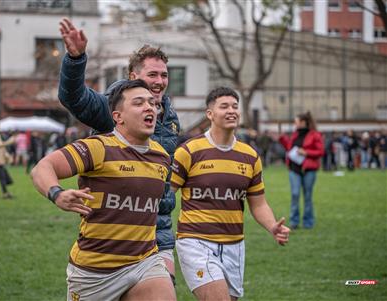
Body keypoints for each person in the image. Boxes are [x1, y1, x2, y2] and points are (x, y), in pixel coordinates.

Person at [31, 80, 176, 301]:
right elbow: (43, 167)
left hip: (144, 261)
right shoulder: (97, 147)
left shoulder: (161, 156)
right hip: (94, 273)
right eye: (139, 103)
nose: (149, 107)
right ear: (118, 117)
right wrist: (56, 193)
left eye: (151, 103)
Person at [58, 18, 180, 280]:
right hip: (114, 232)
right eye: (152, 75)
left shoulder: (169, 117)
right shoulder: (111, 108)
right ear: (134, 77)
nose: (159, 81)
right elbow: (74, 98)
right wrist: (75, 59)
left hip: (158, 231)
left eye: (164, 74)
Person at [171, 87, 290, 300]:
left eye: (235, 106)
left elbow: (259, 203)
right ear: (210, 114)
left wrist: (272, 226)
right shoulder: (189, 151)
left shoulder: (250, 155)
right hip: (195, 241)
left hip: (234, 244)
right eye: (224, 106)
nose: (231, 111)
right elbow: (165, 193)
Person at [279, 112, 324, 229]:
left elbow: (320, 152)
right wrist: (281, 138)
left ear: (303, 122)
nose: (295, 124)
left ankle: (308, 222)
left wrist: (306, 152)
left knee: (307, 196)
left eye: (296, 121)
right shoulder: (295, 134)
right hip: (294, 169)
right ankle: (294, 222)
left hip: (309, 169)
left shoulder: (315, 135)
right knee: (295, 194)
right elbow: (289, 148)